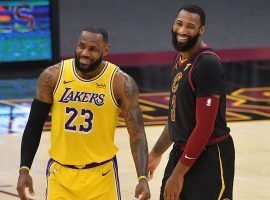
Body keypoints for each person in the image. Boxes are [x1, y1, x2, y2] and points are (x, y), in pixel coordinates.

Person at [17, 25, 151, 200]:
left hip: (102, 177)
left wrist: (142, 177)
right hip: (60, 176)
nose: (85, 53)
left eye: (93, 49)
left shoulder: (121, 83)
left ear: (105, 50)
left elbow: (137, 134)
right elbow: (33, 127)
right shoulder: (52, 77)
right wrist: (24, 169)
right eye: (81, 46)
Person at [148, 4, 235, 200]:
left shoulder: (207, 64)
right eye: (179, 24)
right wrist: (156, 153)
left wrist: (177, 175)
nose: (182, 30)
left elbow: (204, 128)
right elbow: (175, 118)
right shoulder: (180, 59)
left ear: (201, 31)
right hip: (182, 152)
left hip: (210, 156)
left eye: (190, 26)